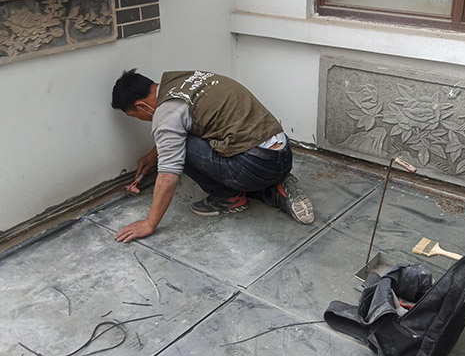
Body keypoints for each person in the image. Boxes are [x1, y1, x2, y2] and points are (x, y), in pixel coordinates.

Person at [111, 69, 315, 243]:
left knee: (179, 150)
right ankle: (276, 190)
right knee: (188, 135)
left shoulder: (167, 112)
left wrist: (149, 223)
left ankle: (229, 198)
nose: (143, 120)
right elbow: (180, 124)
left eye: (135, 117)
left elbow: (169, 175)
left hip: (254, 165)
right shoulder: (182, 80)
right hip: (282, 154)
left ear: (141, 106)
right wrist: (153, 155)